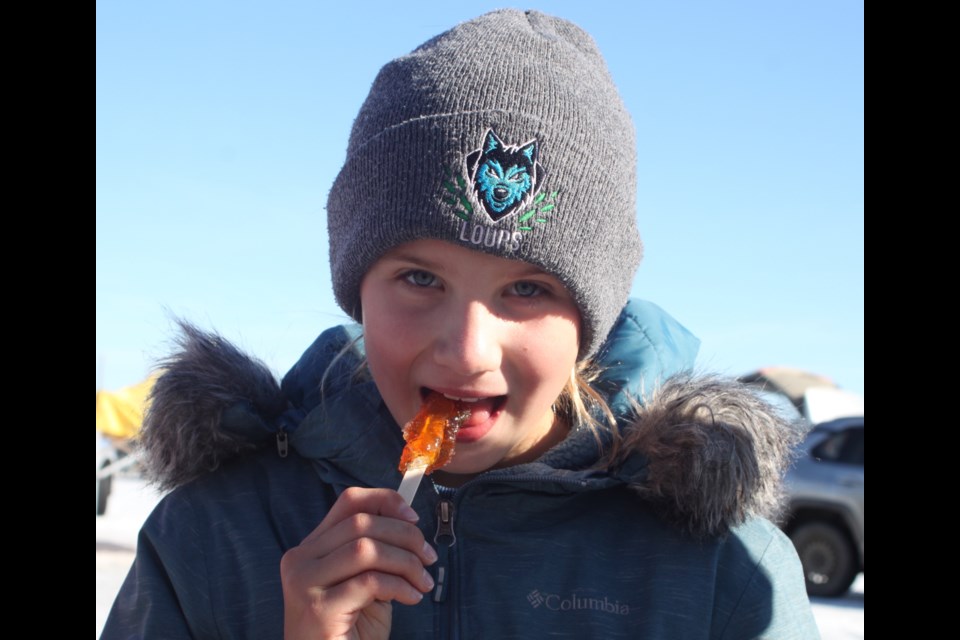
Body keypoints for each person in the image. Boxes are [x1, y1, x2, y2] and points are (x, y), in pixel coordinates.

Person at [102, 9, 819, 639]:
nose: (467, 350)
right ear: (357, 290)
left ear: (590, 322)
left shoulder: (721, 573)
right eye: (420, 279)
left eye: (528, 289)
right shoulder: (216, 539)